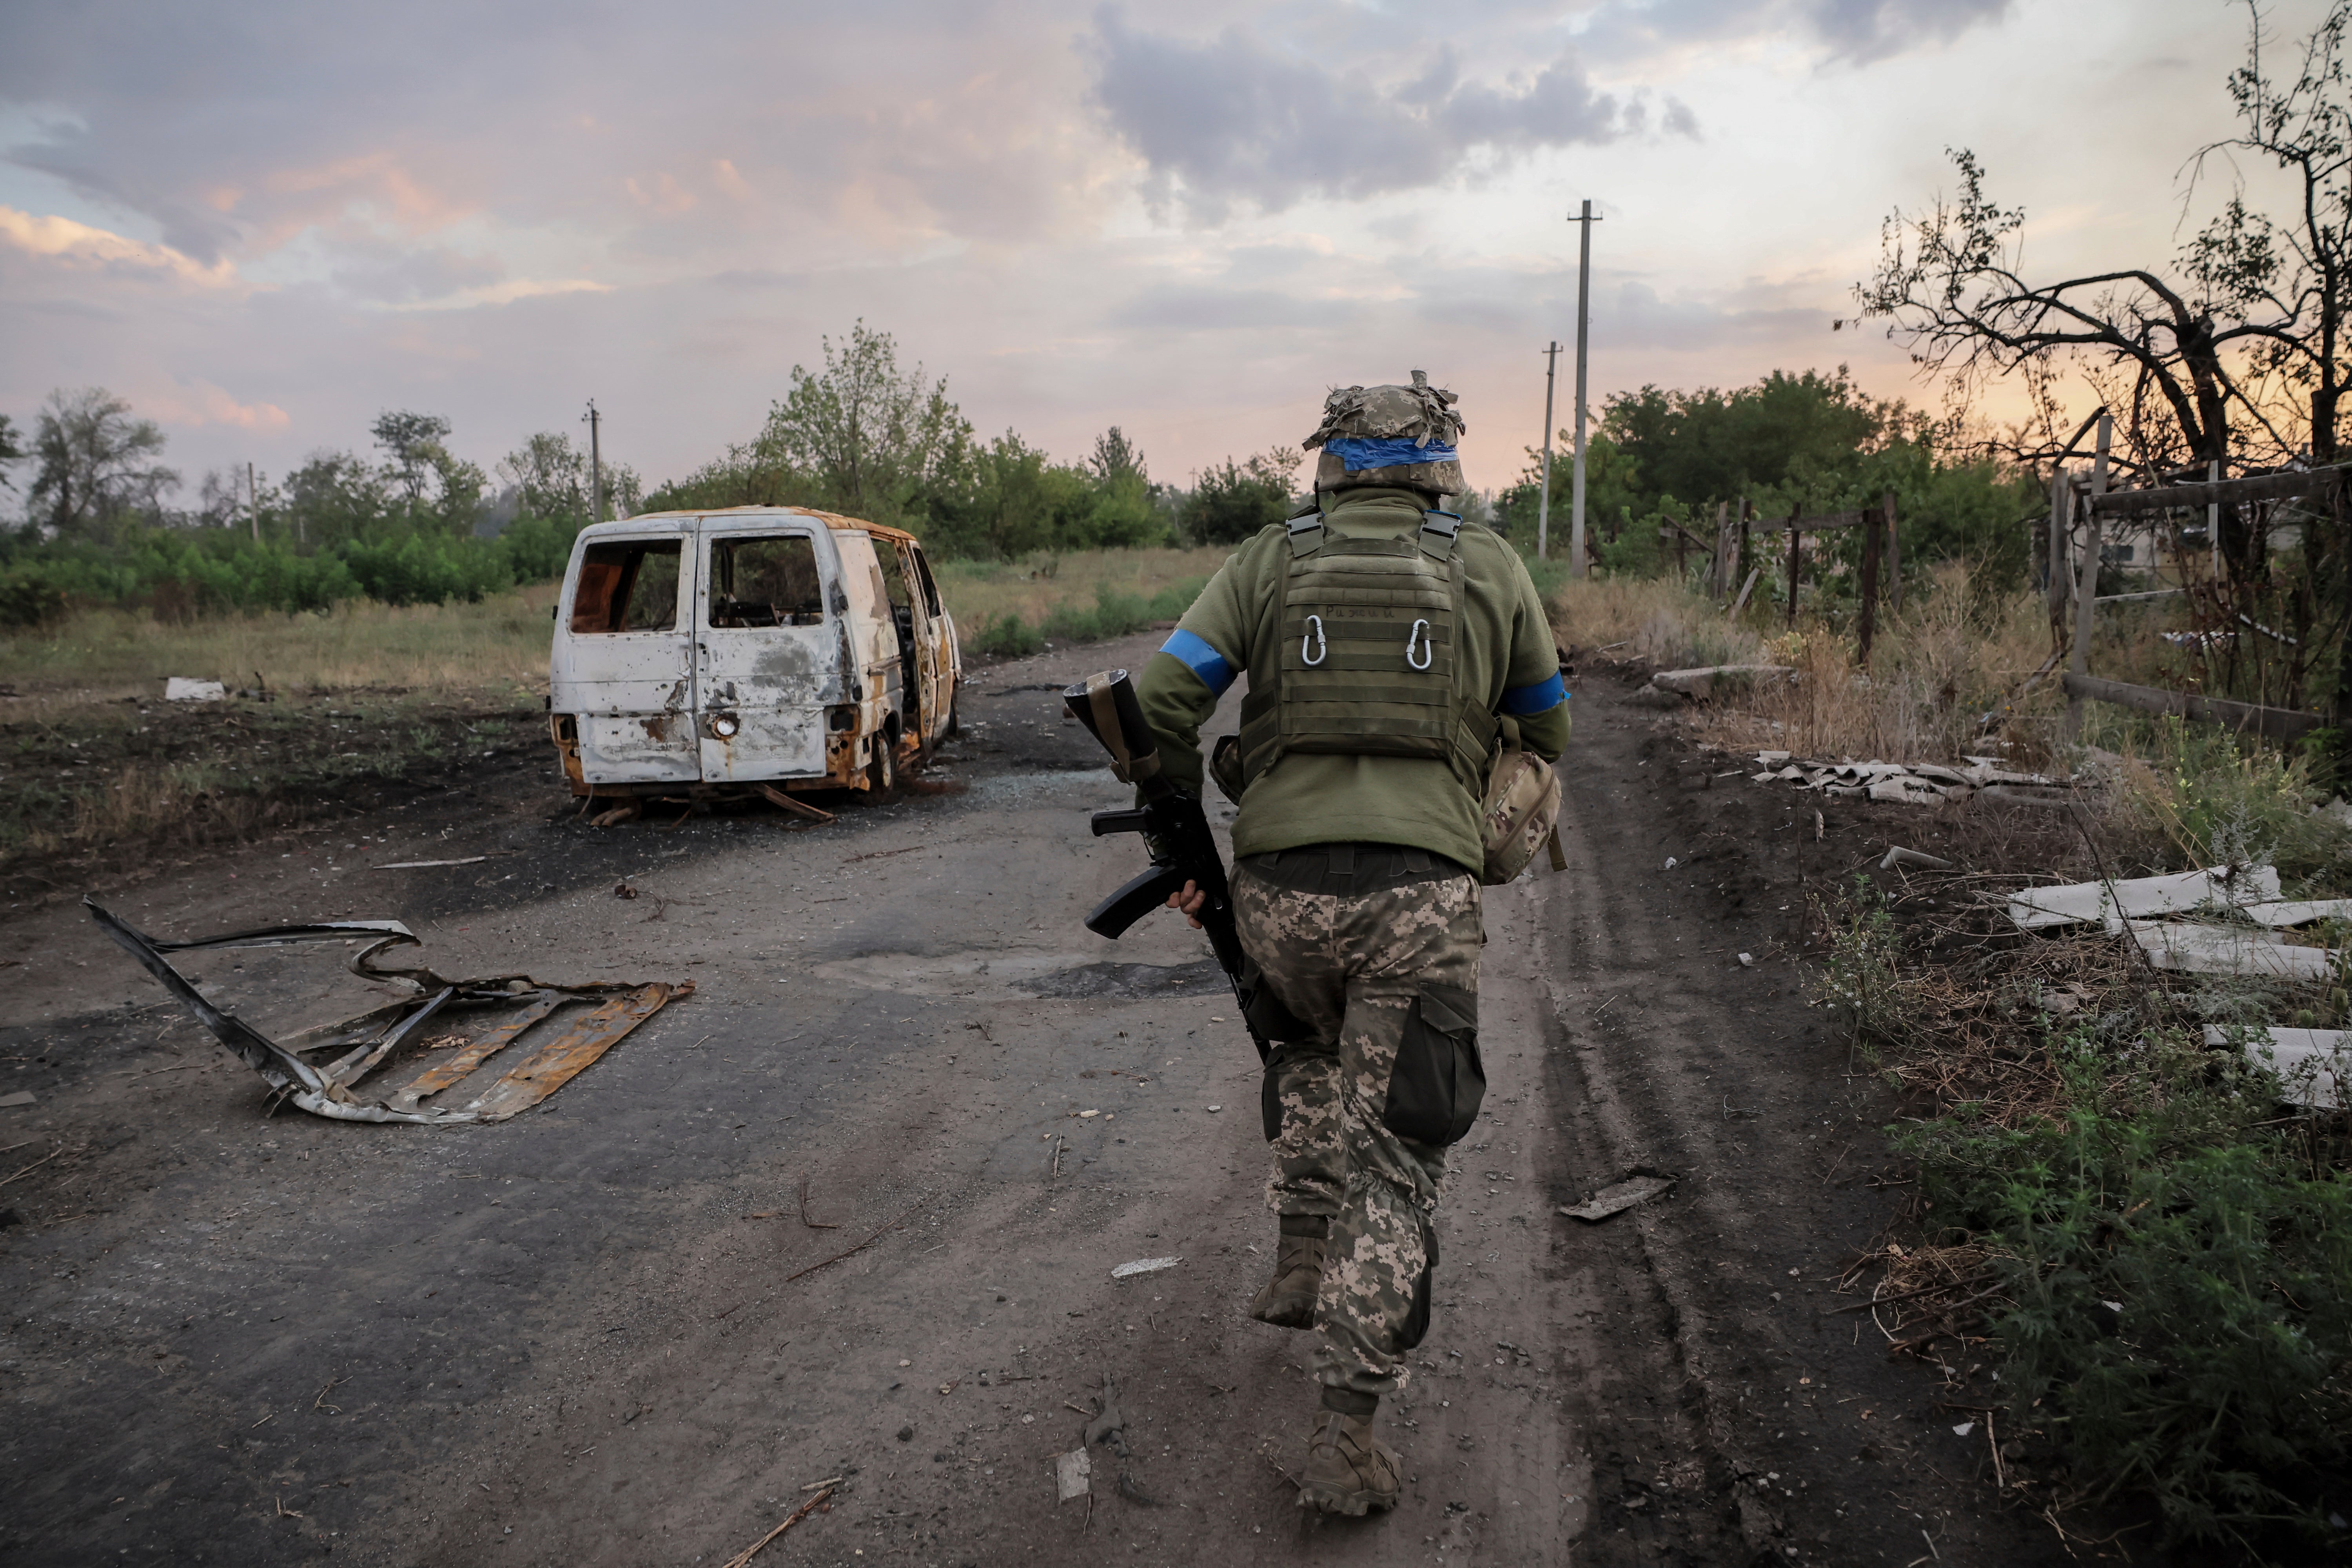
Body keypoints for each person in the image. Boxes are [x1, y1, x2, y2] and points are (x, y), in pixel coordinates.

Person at [1134, 372, 1571, 1517]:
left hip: (1281, 893)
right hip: (1419, 899)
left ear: (1328, 458)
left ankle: (1299, 1257)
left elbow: (1162, 698)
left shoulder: (1270, 560)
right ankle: (1344, 1436)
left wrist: (1185, 824)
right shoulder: (1489, 564)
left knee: (1308, 1048)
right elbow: (1553, 722)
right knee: (1402, 1154)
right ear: (1442, 461)